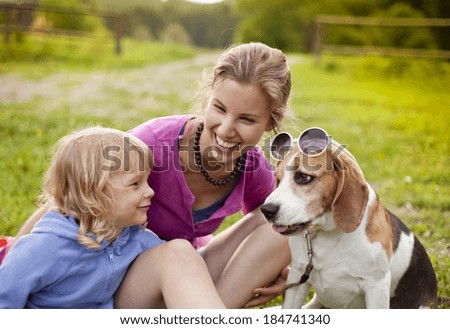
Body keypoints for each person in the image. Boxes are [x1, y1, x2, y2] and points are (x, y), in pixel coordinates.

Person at [9, 42, 293, 308]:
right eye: (219, 108)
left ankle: (204, 311)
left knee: (284, 226)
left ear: (271, 121)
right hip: (117, 276)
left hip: (181, 268)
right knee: (179, 252)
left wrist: (280, 269)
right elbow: (74, 195)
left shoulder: (253, 166)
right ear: (208, 99)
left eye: (246, 119)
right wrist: (13, 256)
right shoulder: (150, 145)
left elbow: (260, 221)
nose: (226, 129)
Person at [0, 127, 225, 309]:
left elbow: (185, 273)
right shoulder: (44, 247)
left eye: (146, 181)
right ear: (93, 193)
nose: (150, 192)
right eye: (135, 184)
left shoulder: (135, 238)